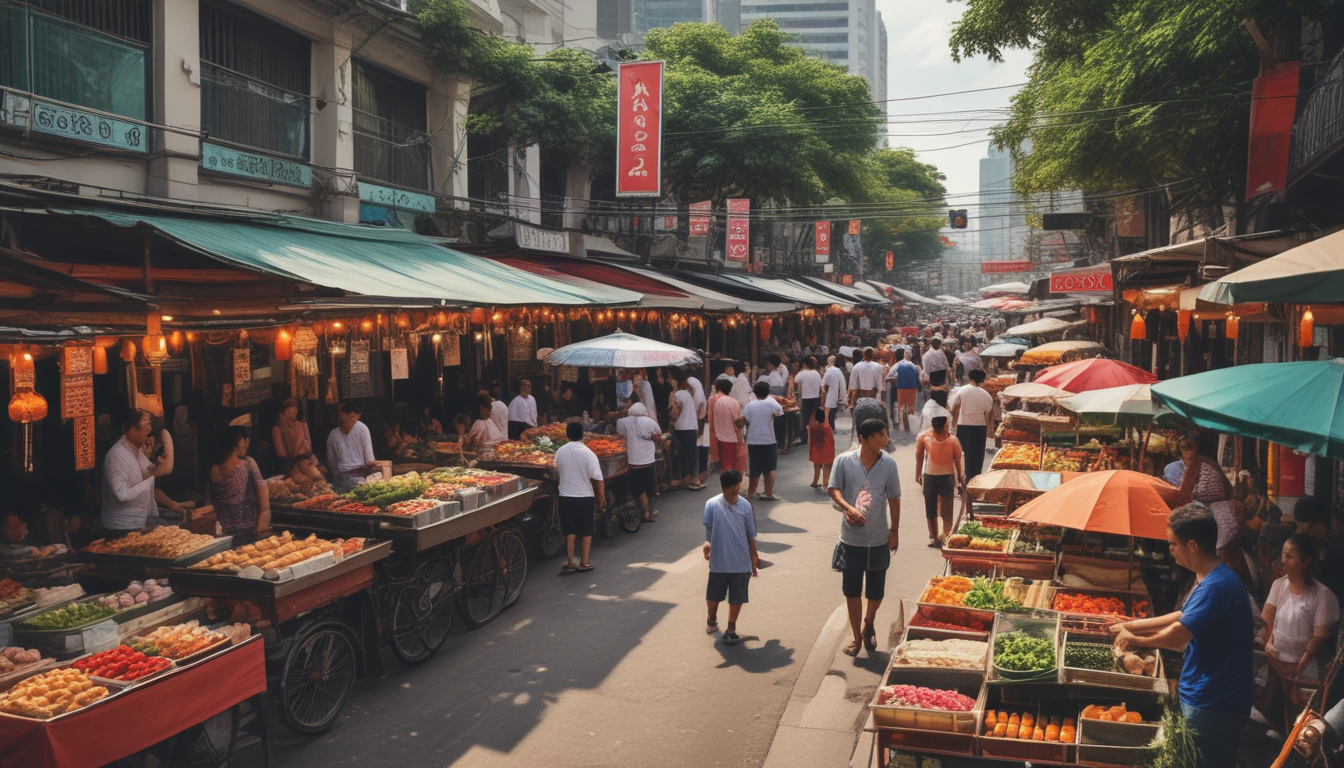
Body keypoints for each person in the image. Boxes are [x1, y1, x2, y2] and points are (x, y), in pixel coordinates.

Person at [1111, 504, 1252, 768]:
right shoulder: (1209, 577)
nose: (1170, 549)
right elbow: (1181, 615)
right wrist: (1131, 625)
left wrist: (1137, 640)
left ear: (1192, 545)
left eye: (1173, 543)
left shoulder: (1217, 585)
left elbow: (1178, 635)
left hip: (1214, 701)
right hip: (1202, 694)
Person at [828, 418, 902, 657]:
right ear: (866, 438)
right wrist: (848, 508)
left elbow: (894, 498)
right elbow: (833, 489)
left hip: (879, 538)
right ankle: (857, 637)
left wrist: (894, 530)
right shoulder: (843, 461)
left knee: (875, 591)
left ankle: (868, 622)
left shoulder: (889, 465)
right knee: (851, 591)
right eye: (882, 435)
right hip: (851, 540)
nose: (886, 439)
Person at [1261, 534, 1340, 730]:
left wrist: (1298, 668)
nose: (1283, 561)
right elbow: (1268, 617)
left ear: (1305, 562)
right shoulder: (1279, 585)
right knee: (1275, 705)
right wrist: (1269, 643)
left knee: (1301, 716)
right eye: (1283, 555)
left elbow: (1317, 638)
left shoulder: (1322, 595)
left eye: (1289, 556)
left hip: (1305, 668)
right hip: (1277, 661)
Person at [702, 469, 759, 645]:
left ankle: (731, 628)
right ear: (731, 486)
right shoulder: (712, 504)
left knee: (737, 596)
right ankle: (712, 619)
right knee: (713, 596)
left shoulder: (745, 506)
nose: (740, 485)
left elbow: (750, 534)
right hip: (719, 561)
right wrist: (707, 544)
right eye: (738, 483)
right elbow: (709, 529)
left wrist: (754, 558)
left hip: (741, 561)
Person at [102, 409, 172, 535]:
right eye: (147, 425)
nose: (150, 429)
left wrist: (166, 443)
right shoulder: (117, 456)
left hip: (142, 519)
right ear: (132, 430)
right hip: (123, 525)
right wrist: (148, 481)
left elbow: (157, 471)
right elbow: (122, 494)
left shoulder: (135, 451)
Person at [207, 426, 271, 542]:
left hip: (223, 533)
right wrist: (263, 525)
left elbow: (209, 501)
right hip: (249, 529)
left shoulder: (214, 469)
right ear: (243, 442)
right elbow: (263, 496)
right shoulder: (248, 463)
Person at [556, 421, 604, 573]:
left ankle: (570, 561)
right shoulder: (589, 454)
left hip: (565, 497)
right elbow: (598, 479)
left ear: (567, 435)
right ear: (582, 434)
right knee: (586, 530)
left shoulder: (560, 451)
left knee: (569, 530)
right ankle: (584, 562)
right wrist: (601, 499)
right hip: (584, 497)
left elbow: (558, 469)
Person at [915, 413, 963, 547]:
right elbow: (919, 456)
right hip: (930, 476)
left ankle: (946, 535)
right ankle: (935, 537)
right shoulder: (925, 438)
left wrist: (960, 476)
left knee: (947, 508)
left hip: (947, 476)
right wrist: (918, 473)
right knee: (930, 507)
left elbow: (957, 459)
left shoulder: (952, 440)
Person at [618, 403, 666, 523]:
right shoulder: (649, 421)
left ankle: (645, 511)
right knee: (650, 486)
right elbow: (658, 434)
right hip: (647, 460)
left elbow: (620, 434)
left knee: (638, 488)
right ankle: (647, 512)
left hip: (633, 461)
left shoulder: (623, 422)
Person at [950, 369, 995, 482]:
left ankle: (962, 476)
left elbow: (954, 408)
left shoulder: (962, 391)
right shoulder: (986, 394)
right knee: (977, 455)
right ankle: (974, 478)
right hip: (979, 427)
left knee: (963, 453)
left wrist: (953, 426)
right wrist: (990, 430)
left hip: (963, 425)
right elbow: (989, 413)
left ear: (969, 377)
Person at [743, 381, 784, 500]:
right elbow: (780, 412)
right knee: (769, 468)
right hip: (769, 440)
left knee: (754, 467)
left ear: (755, 392)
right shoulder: (772, 403)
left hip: (753, 440)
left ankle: (751, 492)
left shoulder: (750, 405)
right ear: (768, 392)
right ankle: (768, 493)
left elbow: (745, 419)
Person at [327, 400, 379, 488]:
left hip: (361, 475)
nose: (354, 419)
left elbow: (369, 457)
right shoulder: (333, 435)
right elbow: (331, 460)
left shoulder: (362, 429)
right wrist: (338, 475)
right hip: (342, 478)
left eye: (354, 416)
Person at [670, 370, 703, 490]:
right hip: (691, 426)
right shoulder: (687, 393)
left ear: (675, 381)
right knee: (691, 452)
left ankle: (690, 478)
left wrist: (671, 408)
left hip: (682, 427)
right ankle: (693, 478)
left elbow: (675, 414)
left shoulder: (679, 394)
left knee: (684, 453)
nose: (670, 381)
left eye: (671, 379)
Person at [708, 378, 745, 475]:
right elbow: (738, 422)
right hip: (730, 438)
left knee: (724, 467)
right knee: (730, 467)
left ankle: (726, 486)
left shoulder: (715, 400)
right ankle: (730, 487)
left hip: (719, 438)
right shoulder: (732, 402)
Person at [888, 349, 920, 432]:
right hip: (908, 388)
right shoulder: (912, 365)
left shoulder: (897, 365)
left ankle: (896, 424)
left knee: (896, 405)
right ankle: (906, 425)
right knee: (905, 406)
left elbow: (890, 376)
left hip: (897, 387)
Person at [794, 356, 823, 446]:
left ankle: (805, 438)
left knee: (805, 419)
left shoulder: (802, 373)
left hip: (806, 398)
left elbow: (796, 382)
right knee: (815, 419)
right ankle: (816, 437)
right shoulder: (816, 373)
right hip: (816, 397)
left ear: (803, 364)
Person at [808, 406, 835, 489]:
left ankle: (815, 481)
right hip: (827, 450)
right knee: (827, 468)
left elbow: (810, 440)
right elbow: (831, 440)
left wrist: (810, 450)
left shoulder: (812, 427)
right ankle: (826, 483)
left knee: (816, 466)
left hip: (816, 450)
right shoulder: (827, 428)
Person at [922, 337, 951, 407]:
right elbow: (947, 367)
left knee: (932, 404)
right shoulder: (942, 354)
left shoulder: (926, 355)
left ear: (930, 344)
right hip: (943, 381)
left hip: (933, 382)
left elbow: (926, 371)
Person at [821, 355, 847, 430]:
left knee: (828, 410)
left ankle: (827, 425)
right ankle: (831, 426)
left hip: (830, 393)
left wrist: (823, 397)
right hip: (837, 394)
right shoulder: (838, 371)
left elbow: (823, 385)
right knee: (832, 411)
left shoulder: (829, 371)